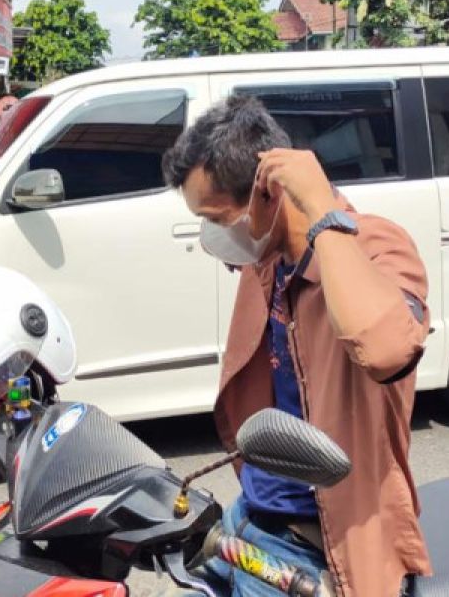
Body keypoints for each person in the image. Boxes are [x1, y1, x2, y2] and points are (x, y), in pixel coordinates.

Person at [162, 96, 431, 597]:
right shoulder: (266, 259)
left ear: (270, 193)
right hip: (251, 516)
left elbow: (387, 349)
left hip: (318, 547)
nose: (214, 237)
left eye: (219, 219)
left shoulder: (376, 246)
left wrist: (323, 212)